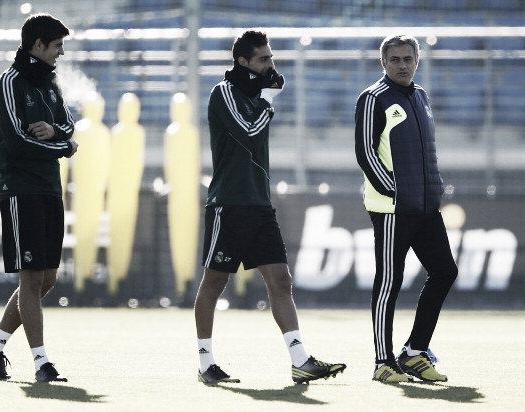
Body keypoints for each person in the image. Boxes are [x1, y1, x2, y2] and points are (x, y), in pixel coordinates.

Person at [194, 30, 346, 385]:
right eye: (263, 59)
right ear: (243, 62)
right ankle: (205, 364)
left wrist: (263, 96)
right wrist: (268, 99)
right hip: (228, 204)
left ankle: (300, 360)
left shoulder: (255, 94)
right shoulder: (225, 93)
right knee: (214, 283)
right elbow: (248, 132)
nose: (271, 65)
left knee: (281, 280)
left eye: (271, 57)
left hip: (259, 204)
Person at [0, 13, 77, 382]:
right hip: (21, 191)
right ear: (38, 46)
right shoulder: (8, 84)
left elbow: (68, 123)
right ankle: (41, 363)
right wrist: (64, 147)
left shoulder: (51, 84)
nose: (60, 53)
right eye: (57, 46)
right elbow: (17, 144)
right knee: (32, 280)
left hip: (50, 189)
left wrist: (55, 132)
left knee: (46, 279)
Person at [354, 34, 458, 383]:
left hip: (426, 206)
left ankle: (414, 352)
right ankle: (383, 362)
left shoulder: (421, 96)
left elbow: (427, 150)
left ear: (417, 61)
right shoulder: (373, 98)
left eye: (408, 59)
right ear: (382, 63)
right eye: (394, 59)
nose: (402, 65)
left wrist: (434, 189)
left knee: (445, 271)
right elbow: (366, 153)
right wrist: (395, 191)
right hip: (392, 209)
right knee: (389, 281)